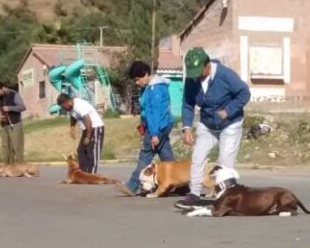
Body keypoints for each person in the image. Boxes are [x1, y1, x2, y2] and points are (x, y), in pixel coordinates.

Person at [174, 48, 251, 209]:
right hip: (207, 124)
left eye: (198, 72)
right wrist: (186, 127)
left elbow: (244, 93)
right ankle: (194, 195)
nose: (195, 77)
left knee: (224, 163)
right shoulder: (191, 79)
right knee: (197, 157)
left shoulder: (225, 75)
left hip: (230, 124)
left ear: (207, 65)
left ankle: (226, 197)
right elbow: (187, 103)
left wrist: (229, 110)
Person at [118, 61, 176, 196]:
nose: (137, 83)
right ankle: (181, 184)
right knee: (166, 155)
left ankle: (132, 185)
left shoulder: (154, 89)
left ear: (145, 74)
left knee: (145, 155)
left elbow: (155, 112)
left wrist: (154, 134)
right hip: (160, 125)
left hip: (158, 126)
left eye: (138, 79)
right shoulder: (150, 87)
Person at [57, 94, 105, 173]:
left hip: (95, 127)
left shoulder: (79, 106)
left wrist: (88, 137)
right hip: (86, 129)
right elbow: (73, 116)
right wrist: (72, 128)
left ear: (67, 102)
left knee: (92, 151)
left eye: (63, 106)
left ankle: (91, 174)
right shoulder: (71, 108)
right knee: (81, 150)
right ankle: (83, 172)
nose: (64, 109)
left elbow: (88, 120)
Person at [0, 81, 26, 163]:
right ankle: (8, 167)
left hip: (15, 124)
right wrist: (0, 116)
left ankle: (21, 166)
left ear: (3, 88)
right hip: (4, 125)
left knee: (17, 146)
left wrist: (10, 108)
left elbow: (22, 107)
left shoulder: (14, 94)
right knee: (5, 147)